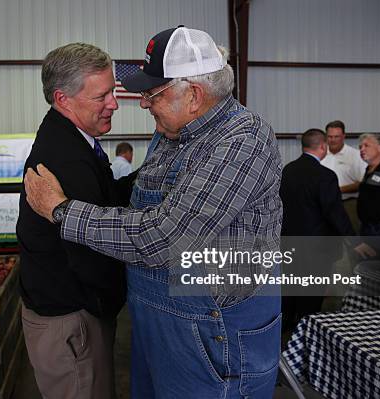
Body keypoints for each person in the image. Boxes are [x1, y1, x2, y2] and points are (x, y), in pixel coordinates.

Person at [25, 26, 283, 399]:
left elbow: (164, 238)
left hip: (214, 334)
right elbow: (143, 195)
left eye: (151, 93)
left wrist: (60, 209)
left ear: (193, 95)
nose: (142, 103)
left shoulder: (242, 140)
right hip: (160, 325)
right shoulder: (172, 131)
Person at [17, 43, 135, 399]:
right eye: (102, 96)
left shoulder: (72, 139)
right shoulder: (66, 158)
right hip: (72, 320)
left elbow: (104, 196)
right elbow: (91, 246)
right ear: (63, 99)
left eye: (112, 92)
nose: (113, 103)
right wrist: (111, 302)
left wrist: (146, 177)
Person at [279, 129, 355, 330]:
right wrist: (353, 239)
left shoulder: (287, 170)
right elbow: (334, 212)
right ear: (323, 147)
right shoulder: (326, 176)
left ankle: (285, 331)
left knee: (289, 288)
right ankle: (306, 332)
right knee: (311, 293)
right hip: (317, 248)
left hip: (288, 243)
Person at [321, 120, 366, 232]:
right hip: (324, 204)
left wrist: (337, 190)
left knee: (351, 238)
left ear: (344, 136)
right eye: (330, 136)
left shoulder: (355, 155)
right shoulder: (320, 154)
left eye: (337, 136)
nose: (333, 140)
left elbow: (363, 183)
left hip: (348, 204)